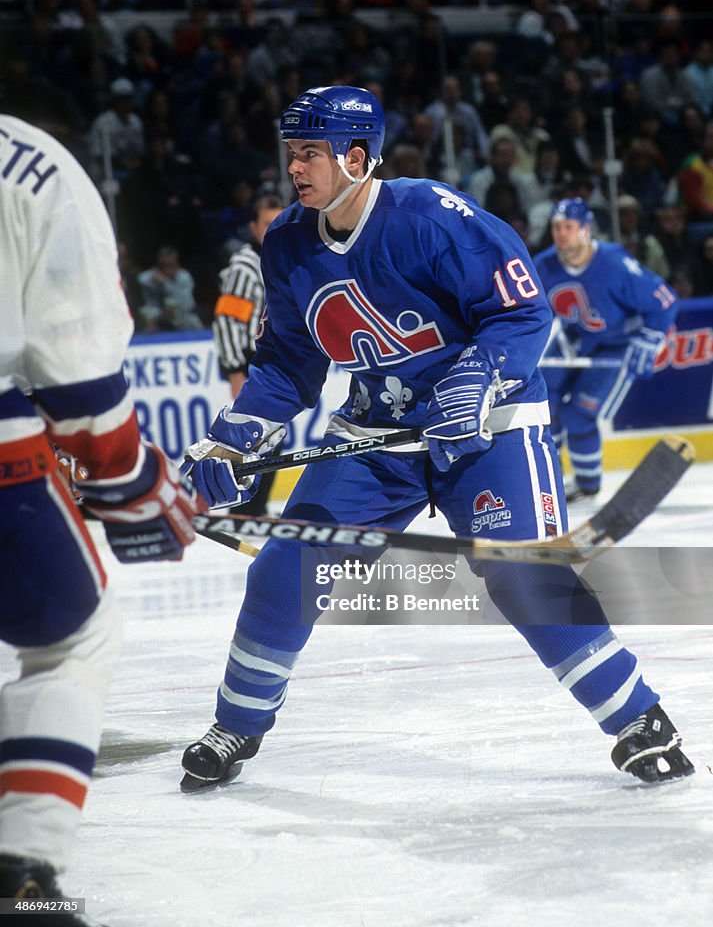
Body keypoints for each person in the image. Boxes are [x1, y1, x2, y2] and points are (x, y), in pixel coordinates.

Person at [179, 85, 694, 795]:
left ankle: (637, 719)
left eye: (309, 153)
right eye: (289, 152)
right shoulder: (291, 242)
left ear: (355, 156)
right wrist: (229, 442)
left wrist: (474, 379)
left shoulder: (431, 216)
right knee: (283, 569)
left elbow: (519, 314)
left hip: (487, 429)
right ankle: (236, 723)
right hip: (376, 438)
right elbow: (286, 365)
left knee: (522, 576)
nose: (293, 168)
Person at [0, 114, 204, 921]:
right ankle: (21, 875)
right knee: (72, 638)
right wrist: (136, 486)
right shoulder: (28, 165)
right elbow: (81, 389)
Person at [534, 197, 678, 502]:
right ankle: (551, 483)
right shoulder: (543, 266)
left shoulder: (615, 263)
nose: (561, 234)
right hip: (572, 340)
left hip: (615, 345)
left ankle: (587, 485)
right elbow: (530, 310)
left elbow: (665, 300)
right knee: (544, 409)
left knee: (579, 415)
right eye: (557, 227)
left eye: (569, 227)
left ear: (586, 230)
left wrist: (650, 338)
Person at [211, 192, 284, 514]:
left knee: (271, 438)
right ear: (254, 227)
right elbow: (226, 321)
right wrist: (235, 371)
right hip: (249, 364)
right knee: (252, 438)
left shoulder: (282, 259)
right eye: (267, 223)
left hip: (271, 364)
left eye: (278, 222)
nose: (272, 229)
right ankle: (245, 509)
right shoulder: (245, 266)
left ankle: (254, 509)